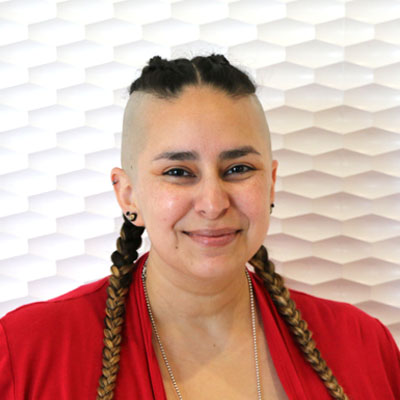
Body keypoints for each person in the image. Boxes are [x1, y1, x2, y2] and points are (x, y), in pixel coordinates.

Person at [0, 54, 399, 400]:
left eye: (238, 169)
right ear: (128, 195)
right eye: (178, 172)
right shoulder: (25, 352)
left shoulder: (362, 346)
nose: (213, 203)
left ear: (271, 182)